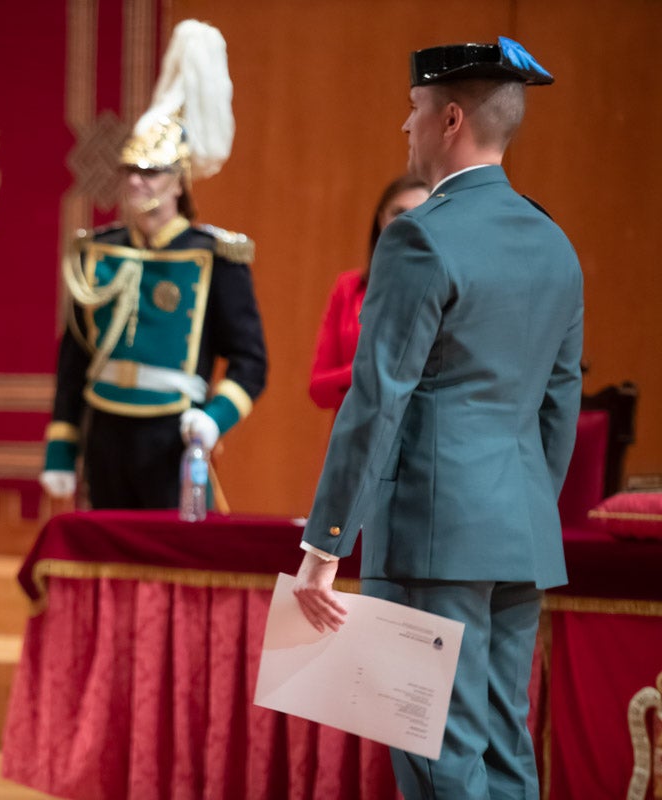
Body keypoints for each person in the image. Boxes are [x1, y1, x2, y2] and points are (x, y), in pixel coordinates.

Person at [292, 38, 582, 798]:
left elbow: (377, 398)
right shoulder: (555, 244)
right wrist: (517, 507)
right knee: (502, 748)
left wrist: (325, 546)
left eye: (414, 110)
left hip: (430, 536)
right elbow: (560, 400)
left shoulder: (419, 235)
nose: (405, 127)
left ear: (450, 118)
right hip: (516, 534)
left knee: (436, 758)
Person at [40, 20, 268, 509]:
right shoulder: (98, 250)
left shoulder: (215, 255)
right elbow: (75, 357)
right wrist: (62, 448)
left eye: (151, 173)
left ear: (179, 181)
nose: (137, 183)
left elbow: (252, 362)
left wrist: (214, 417)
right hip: (105, 430)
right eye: (131, 172)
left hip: (173, 432)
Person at [308, 174, 428, 411]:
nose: (409, 224)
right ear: (381, 219)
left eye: (421, 214)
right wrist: (368, 370)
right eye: (399, 213)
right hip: (354, 438)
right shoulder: (348, 288)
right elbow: (319, 388)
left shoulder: (450, 292)